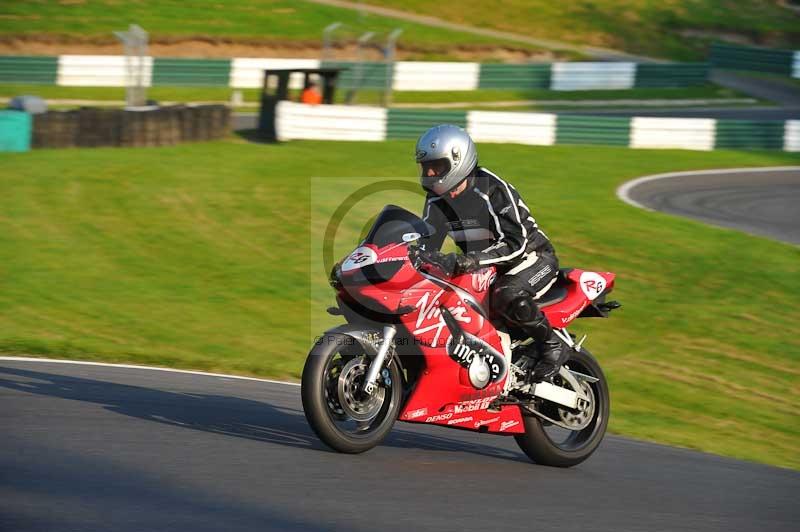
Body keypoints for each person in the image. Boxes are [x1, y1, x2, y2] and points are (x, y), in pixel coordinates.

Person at [411, 124, 566, 382]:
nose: (428, 173)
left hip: (533, 258)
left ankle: (552, 345)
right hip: (485, 268)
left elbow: (517, 243)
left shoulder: (490, 189)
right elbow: (427, 244)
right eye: (425, 166)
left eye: (436, 166)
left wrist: (473, 260)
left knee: (507, 294)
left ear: (457, 161)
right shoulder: (436, 199)